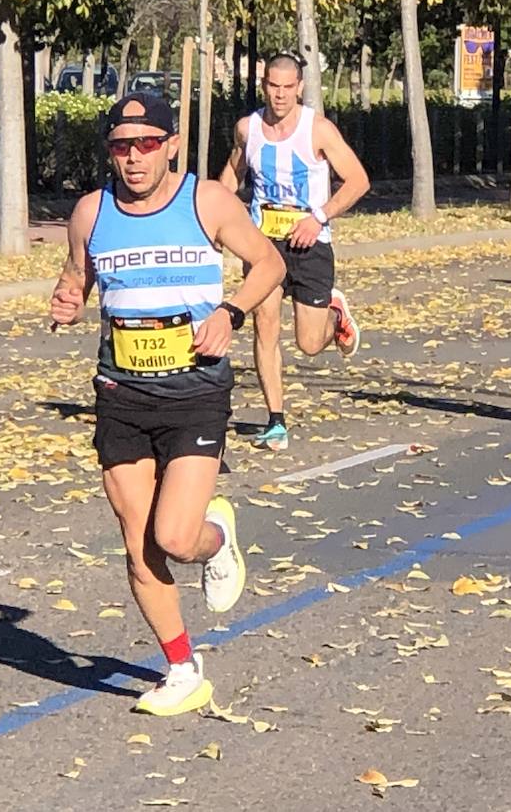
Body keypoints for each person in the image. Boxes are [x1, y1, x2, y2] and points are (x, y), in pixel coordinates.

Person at [49, 94, 286, 716]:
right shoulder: (91, 211)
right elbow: (78, 273)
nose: (133, 158)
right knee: (138, 543)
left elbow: (269, 262)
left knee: (176, 537)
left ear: (172, 145)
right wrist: (69, 295)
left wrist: (230, 313)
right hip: (121, 392)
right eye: (122, 147)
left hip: (195, 391)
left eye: (146, 144)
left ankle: (216, 538)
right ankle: (182, 668)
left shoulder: (205, 200)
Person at [218, 53, 369, 452]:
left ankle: (334, 313)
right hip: (264, 243)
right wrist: (214, 217)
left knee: (308, 343)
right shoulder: (247, 129)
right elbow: (233, 174)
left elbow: (358, 181)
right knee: (264, 324)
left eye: (288, 87)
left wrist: (317, 217)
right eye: (273, 86)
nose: (280, 95)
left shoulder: (317, 130)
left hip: (310, 242)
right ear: (264, 84)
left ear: (299, 87)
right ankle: (276, 420)